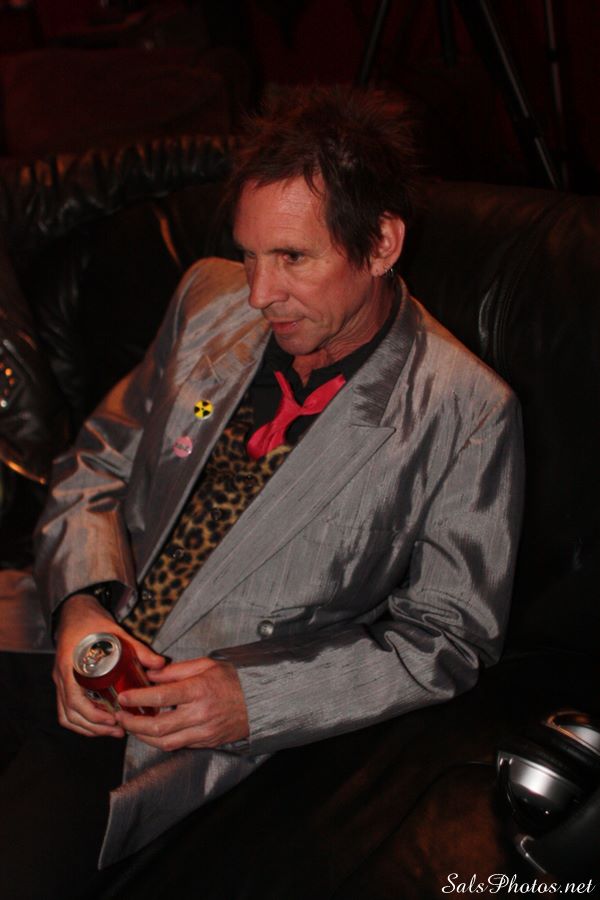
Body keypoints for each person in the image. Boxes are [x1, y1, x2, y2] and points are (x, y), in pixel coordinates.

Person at [0, 86, 524, 895]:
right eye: (248, 254)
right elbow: (97, 460)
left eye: (292, 259)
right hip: (50, 629)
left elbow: (446, 639)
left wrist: (254, 699)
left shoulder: (465, 411)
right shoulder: (207, 299)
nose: (257, 293)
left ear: (381, 244)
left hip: (159, 731)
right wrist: (80, 604)